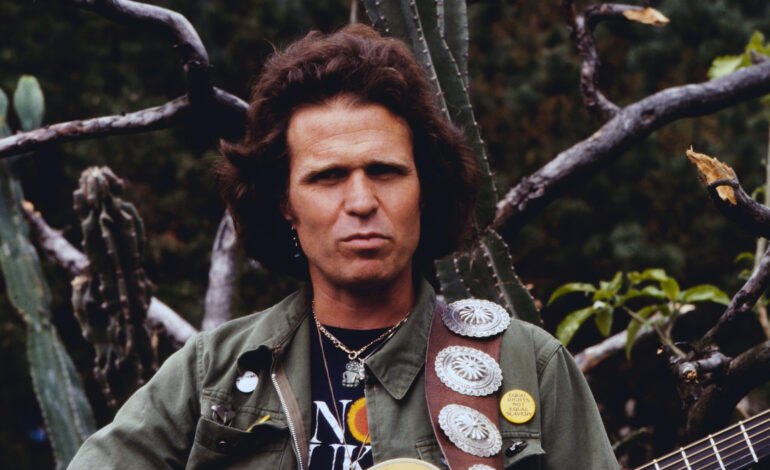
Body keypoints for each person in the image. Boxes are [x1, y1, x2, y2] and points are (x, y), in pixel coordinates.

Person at [68, 24, 618, 470]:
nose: (361, 201)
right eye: (327, 177)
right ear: (285, 202)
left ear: (424, 189)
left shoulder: (529, 365)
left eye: (385, 171)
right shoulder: (211, 373)